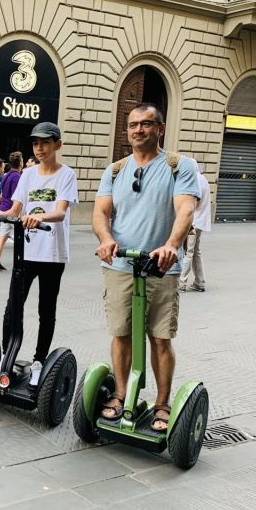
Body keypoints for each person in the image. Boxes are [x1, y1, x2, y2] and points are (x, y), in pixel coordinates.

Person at [93, 103, 200, 432]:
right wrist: (106, 238)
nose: (138, 130)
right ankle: (123, 395)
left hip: (160, 268)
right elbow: (100, 213)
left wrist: (171, 244)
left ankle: (163, 402)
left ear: (160, 129)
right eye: (133, 125)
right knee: (121, 334)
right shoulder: (115, 170)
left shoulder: (178, 166)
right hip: (121, 265)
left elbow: (185, 210)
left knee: (159, 339)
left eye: (146, 124)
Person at [0, 122, 78, 386]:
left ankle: (38, 361)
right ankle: (6, 357)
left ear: (57, 145)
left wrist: (38, 217)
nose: (40, 148)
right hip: (27, 252)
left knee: (46, 310)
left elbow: (60, 212)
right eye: (36, 143)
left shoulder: (66, 175)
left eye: (45, 143)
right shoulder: (28, 174)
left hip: (53, 253)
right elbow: (15, 209)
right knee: (13, 306)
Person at [179, 162, 212, 291]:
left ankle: (181, 283)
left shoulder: (196, 180)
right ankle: (200, 282)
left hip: (193, 222)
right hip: (200, 222)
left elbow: (194, 203)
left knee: (188, 252)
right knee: (195, 252)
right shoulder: (203, 179)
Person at [0, 151, 24, 271]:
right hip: (12, 211)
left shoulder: (5, 175)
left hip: (3, 207)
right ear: (20, 162)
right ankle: (23, 262)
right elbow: (17, 196)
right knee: (22, 237)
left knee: (2, 237)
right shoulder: (17, 177)